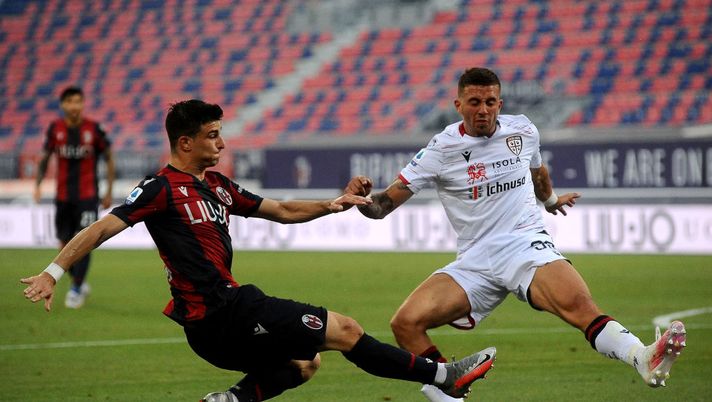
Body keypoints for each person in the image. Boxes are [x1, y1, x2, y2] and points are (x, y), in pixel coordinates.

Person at [21, 99, 496, 402]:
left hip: (213, 327)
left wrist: (334, 204)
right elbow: (99, 229)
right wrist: (52, 272)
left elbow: (282, 210)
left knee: (305, 363)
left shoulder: (218, 186)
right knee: (347, 329)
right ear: (185, 142)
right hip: (223, 310)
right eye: (211, 135)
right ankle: (443, 375)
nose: (222, 142)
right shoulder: (159, 188)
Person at [347, 67, 686, 402]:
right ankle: (449, 393)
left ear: (500, 102)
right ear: (458, 105)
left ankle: (641, 356)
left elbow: (538, 173)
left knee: (578, 305)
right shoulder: (441, 149)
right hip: (474, 259)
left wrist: (550, 201)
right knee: (406, 322)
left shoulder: (522, 130)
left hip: (525, 243)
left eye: (490, 102)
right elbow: (384, 205)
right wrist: (362, 200)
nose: (483, 110)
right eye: (475, 102)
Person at [33, 86, 115, 309]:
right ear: (63, 105)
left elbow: (109, 158)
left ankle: (76, 288)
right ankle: (77, 280)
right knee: (64, 243)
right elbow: (45, 158)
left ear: (83, 103)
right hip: (63, 196)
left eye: (78, 101)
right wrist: (38, 185)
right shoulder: (55, 129)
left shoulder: (94, 129)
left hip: (88, 196)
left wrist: (108, 190)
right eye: (70, 102)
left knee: (86, 240)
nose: (74, 106)